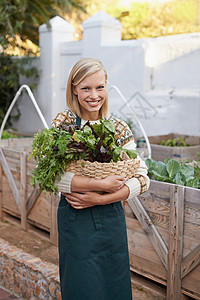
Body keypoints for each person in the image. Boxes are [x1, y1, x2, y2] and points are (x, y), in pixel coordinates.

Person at [51, 58, 150, 300]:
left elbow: (142, 178)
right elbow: (52, 177)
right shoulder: (64, 124)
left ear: (106, 86)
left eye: (100, 87)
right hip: (76, 220)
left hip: (110, 219)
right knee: (80, 287)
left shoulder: (118, 128)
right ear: (74, 88)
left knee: (114, 287)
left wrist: (101, 199)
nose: (94, 95)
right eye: (86, 88)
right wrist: (100, 185)